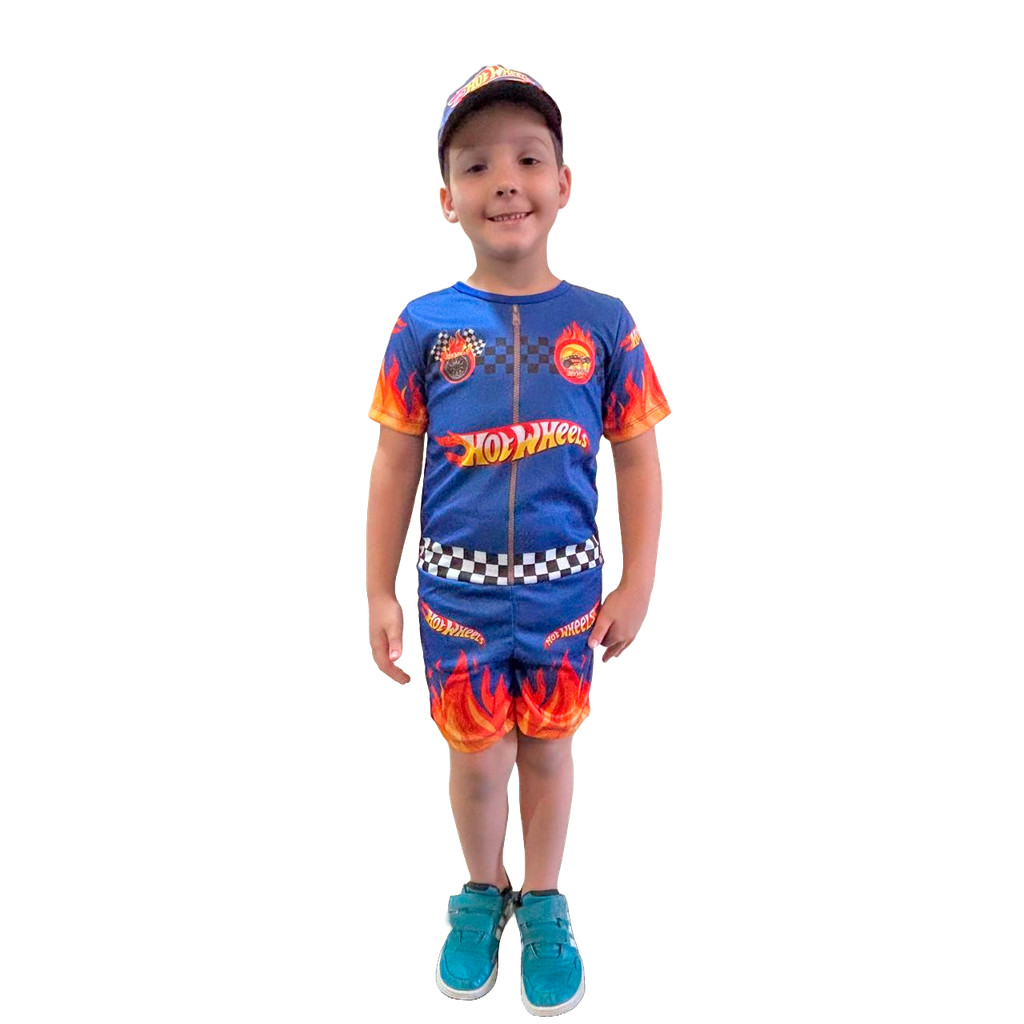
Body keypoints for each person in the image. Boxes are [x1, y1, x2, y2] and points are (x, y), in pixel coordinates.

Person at [365, 64, 670, 1016]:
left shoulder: (605, 325)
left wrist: (638, 583)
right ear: (446, 199)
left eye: (529, 160)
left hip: (563, 597)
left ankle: (542, 899)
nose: (506, 181)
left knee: (546, 752)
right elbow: (394, 464)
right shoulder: (423, 327)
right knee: (476, 758)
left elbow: (638, 459)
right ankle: (479, 889)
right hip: (455, 599)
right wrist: (377, 590)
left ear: (563, 183)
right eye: (478, 165)